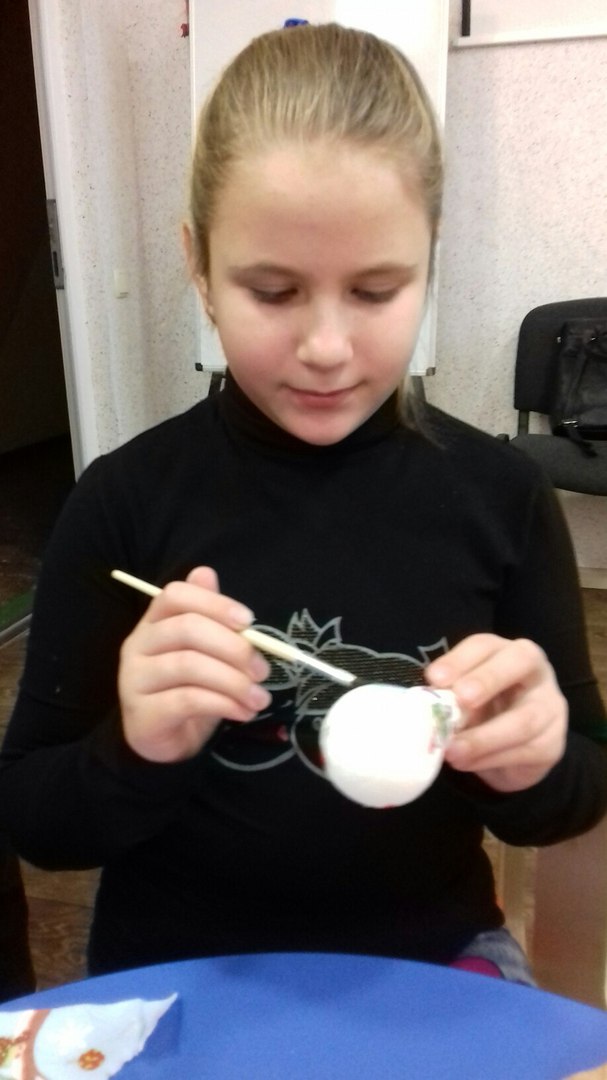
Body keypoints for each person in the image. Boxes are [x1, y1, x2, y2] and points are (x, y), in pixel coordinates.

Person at [0, 23, 605, 984]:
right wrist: (135, 749)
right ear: (199, 267)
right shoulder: (124, 504)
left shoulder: (500, 496)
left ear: (429, 261)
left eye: (375, 290)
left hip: (431, 956)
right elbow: (33, 818)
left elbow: (578, 792)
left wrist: (530, 761)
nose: (326, 348)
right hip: (180, 968)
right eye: (273, 292)